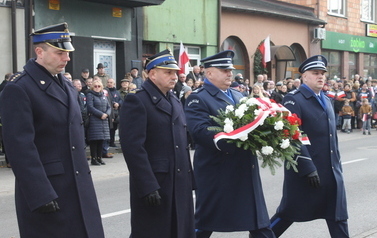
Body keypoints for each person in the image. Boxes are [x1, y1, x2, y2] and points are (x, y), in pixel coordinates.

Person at [0, 22, 104, 238]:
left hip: (78, 186)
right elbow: (20, 147)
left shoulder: (66, 86)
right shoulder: (19, 89)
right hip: (49, 190)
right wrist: (40, 194)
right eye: (60, 53)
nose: (66, 59)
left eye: (67, 53)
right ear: (39, 51)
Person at [185, 50, 275, 238]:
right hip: (218, 172)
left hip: (244, 169)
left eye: (230, 70)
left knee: (260, 223)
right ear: (209, 73)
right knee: (205, 224)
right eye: (224, 70)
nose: (230, 74)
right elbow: (200, 132)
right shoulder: (198, 98)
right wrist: (233, 140)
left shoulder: (237, 95)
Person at [270, 55, 349, 238]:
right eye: (315, 73)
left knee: (337, 215)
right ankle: (263, 235)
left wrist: (337, 165)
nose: (320, 77)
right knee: (288, 213)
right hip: (306, 171)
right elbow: (289, 135)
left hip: (330, 170)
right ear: (304, 77)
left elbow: (331, 138)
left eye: (322, 73)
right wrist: (307, 168)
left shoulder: (326, 99)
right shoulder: (294, 99)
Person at [119, 49, 195, 238]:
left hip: (179, 182)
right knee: (153, 231)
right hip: (156, 183)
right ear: (152, 74)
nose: (174, 77)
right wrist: (147, 185)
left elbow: (181, 143)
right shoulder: (137, 100)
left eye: (175, 73)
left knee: (180, 231)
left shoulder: (174, 100)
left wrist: (190, 179)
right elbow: (133, 148)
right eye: (168, 72)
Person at [86, 80, 110, 165]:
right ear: (92, 87)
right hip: (94, 120)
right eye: (95, 86)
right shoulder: (90, 95)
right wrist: (100, 114)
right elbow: (90, 107)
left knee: (101, 140)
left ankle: (99, 158)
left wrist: (107, 114)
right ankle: (94, 159)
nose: (97, 88)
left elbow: (109, 107)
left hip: (104, 120)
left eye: (98, 86)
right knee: (94, 141)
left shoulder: (104, 96)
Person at [104, 78, 123, 147]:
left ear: (114, 84)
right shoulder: (105, 91)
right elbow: (107, 100)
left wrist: (118, 104)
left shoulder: (117, 92)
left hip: (117, 112)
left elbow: (121, 99)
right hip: (110, 112)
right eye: (108, 82)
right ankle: (108, 142)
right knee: (109, 128)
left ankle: (112, 141)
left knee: (114, 128)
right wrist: (113, 103)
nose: (109, 84)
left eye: (111, 82)